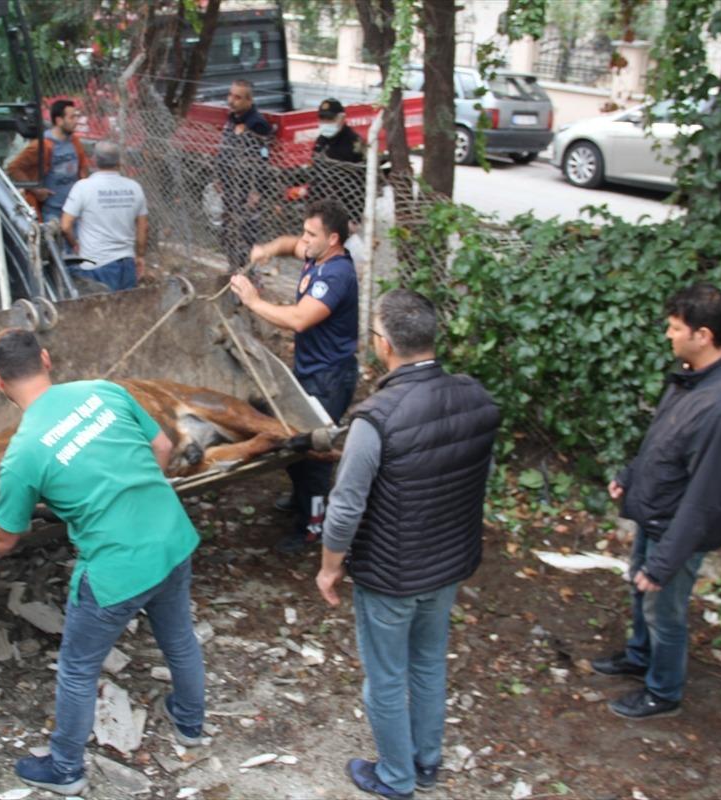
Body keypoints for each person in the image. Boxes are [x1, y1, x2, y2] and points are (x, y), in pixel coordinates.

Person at [0, 328, 205, 796]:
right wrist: (134, 493)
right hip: (171, 536)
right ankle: (189, 723)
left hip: (116, 569)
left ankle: (65, 769)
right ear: (46, 359)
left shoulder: (23, 452)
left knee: (78, 668)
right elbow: (162, 447)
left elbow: (2, 538)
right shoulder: (104, 390)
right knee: (179, 636)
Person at [315, 289, 499, 799]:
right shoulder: (476, 399)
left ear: (384, 344)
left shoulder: (375, 418)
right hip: (448, 565)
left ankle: (396, 777)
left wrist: (329, 567)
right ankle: (426, 760)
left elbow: (345, 507)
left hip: (391, 576)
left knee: (386, 677)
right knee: (429, 662)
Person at [592, 283, 721, 720]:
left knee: (664, 609)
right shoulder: (691, 375)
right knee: (639, 590)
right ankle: (639, 656)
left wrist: (664, 563)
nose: (668, 334)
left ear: (703, 335)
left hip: (678, 528)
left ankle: (663, 691)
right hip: (656, 513)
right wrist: (630, 475)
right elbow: (663, 439)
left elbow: (706, 496)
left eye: (675, 328)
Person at [229, 198, 359, 554]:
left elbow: (300, 319)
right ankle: (302, 496)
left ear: (333, 239)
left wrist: (254, 301)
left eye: (310, 234)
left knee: (314, 452)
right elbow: (290, 245)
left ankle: (313, 526)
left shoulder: (336, 275)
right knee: (295, 442)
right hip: (310, 370)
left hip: (330, 378)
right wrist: (268, 249)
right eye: (304, 232)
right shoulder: (317, 254)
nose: (304, 240)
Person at [60, 140, 149, 292]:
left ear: (94, 160)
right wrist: (140, 256)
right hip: (127, 265)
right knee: (127, 305)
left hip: (95, 265)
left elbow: (65, 226)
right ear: (119, 162)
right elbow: (143, 227)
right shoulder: (134, 188)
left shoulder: (83, 187)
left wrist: (74, 244)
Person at [216, 79, 273, 272]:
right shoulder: (232, 119)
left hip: (246, 189)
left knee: (246, 233)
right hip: (230, 187)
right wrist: (220, 178)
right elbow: (225, 152)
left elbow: (263, 160)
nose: (231, 101)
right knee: (228, 231)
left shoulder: (257, 124)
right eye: (230, 95)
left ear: (249, 100)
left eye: (237, 97)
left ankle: (249, 273)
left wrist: (257, 191)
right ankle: (233, 268)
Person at [6, 99, 89, 224]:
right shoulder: (43, 145)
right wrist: (36, 190)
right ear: (59, 120)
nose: (76, 121)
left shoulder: (74, 142)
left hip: (74, 211)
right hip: (52, 212)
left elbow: (83, 168)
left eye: (76, 117)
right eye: (72, 117)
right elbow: (13, 167)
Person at [309, 98, 366, 224]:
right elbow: (315, 170)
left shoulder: (353, 143)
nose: (325, 122)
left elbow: (361, 183)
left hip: (342, 208)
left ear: (342, 118)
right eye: (322, 118)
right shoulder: (322, 139)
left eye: (330, 119)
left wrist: (354, 218)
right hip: (320, 205)